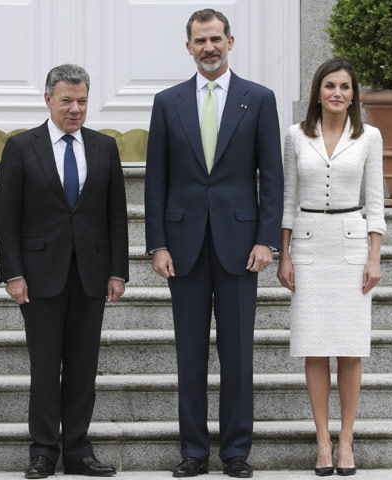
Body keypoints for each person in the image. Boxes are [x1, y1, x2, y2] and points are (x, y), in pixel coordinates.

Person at [144, 8, 284, 478]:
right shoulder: (167, 102)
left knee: (238, 353)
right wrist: (157, 244)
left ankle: (237, 452)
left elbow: (273, 177)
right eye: (200, 40)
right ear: (188, 47)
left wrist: (267, 239)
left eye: (216, 39)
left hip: (241, 246)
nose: (209, 47)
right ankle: (194, 452)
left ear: (231, 41)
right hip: (182, 247)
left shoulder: (259, 99)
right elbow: (155, 181)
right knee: (190, 354)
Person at [0, 64, 129, 479]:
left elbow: (116, 216)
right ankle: (42, 452)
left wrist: (117, 272)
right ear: (48, 99)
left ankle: (78, 451)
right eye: (67, 100)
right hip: (39, 277)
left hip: (90, 274)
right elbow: (7, 217)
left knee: (83, 368)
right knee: (45, 366)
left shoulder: (104, 147)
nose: (75, 109)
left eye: (82, 101)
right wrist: (12, 274)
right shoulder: (21, 147)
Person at [276, 58, 385, 477]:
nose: (336, 93)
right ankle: (322, 439)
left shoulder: (369, 136)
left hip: (350, 244)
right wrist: (284, 254)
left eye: (344, 86)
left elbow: (375, 200)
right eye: (329, 86)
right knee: (315, 345)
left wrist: (374, 255)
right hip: (307, 245)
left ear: (354, 93)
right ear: (317, 92)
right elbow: (288, 199)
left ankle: (346, 440)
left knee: (350, 347)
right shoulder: (296, 136)